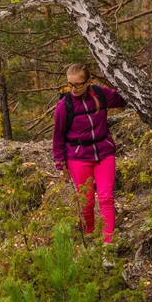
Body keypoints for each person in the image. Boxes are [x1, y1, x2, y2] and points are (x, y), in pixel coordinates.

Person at [52, 63, 127, 244]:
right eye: (70, 84)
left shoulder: (100, 94)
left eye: (78, 84)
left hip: (104, 152)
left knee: (106, 198)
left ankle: (108, 244)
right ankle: (92, 237)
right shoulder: (64, 106)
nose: (73, 89)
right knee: (86, 204)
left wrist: (125, 79)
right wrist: (60, 165)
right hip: (78, 157)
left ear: (88, 82)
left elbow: (123, 99)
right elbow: (58, 138)